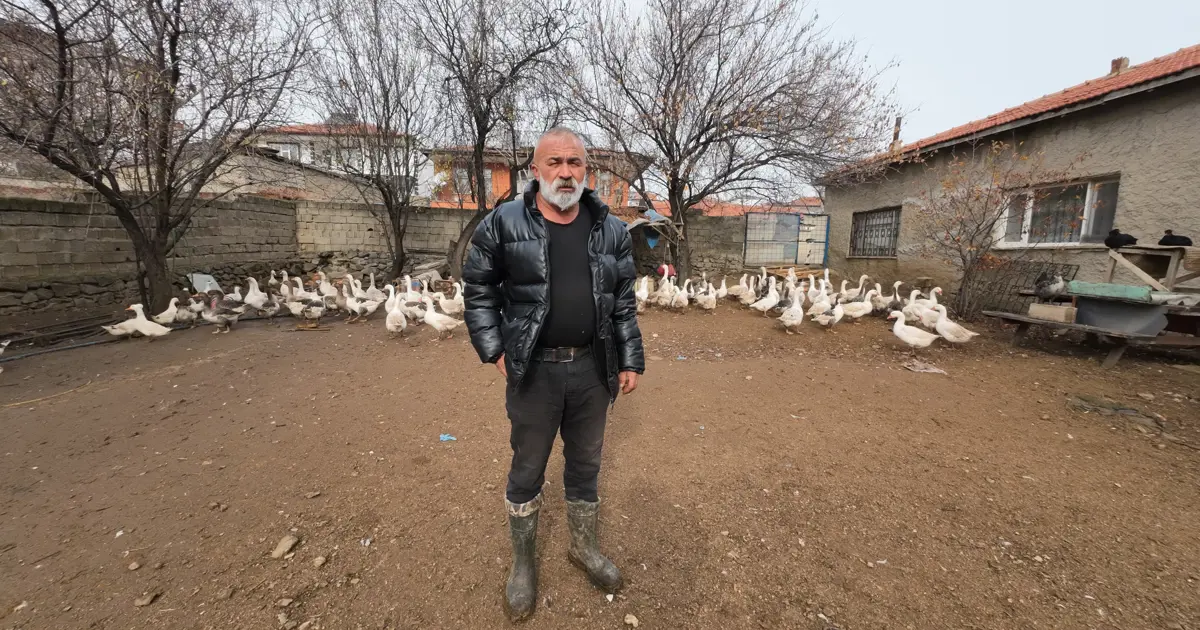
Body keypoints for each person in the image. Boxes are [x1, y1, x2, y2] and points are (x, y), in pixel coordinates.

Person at [462, 127, 645, 622]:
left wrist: (629, 358)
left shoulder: (610, 228)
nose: (566, 172)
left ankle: (582, 548)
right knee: (527, 469)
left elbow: (623, 303)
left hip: (592, 368)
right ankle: (523, 564)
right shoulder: (502, 223)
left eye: (575, 163)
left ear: (587, 171)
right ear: (535, 170)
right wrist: (495, 350)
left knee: (586, 466)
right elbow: (478, 290)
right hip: (534, 373)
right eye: (555, 163)